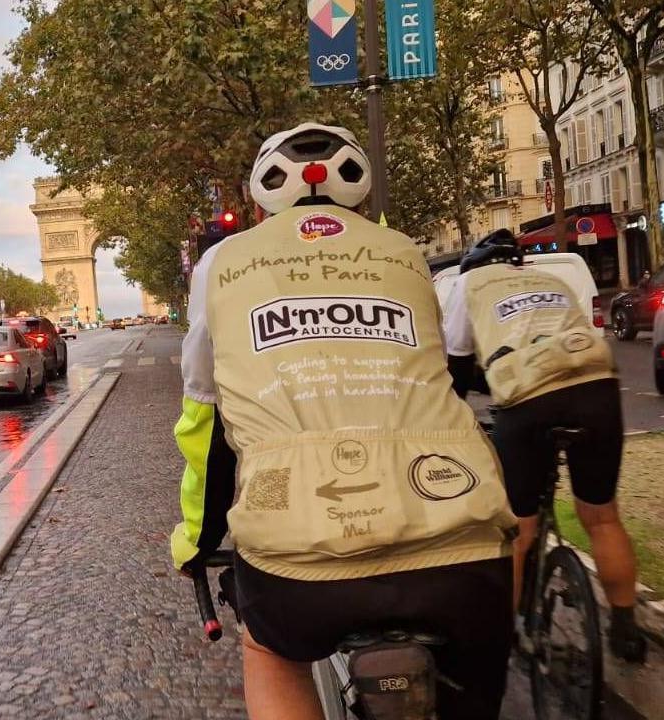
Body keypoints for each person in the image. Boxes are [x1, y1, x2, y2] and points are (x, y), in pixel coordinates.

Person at [172, 123, 518, 720]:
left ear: (258, 202)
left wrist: (196, 542)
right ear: (361, 193)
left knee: (270, 650)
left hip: (298, 555)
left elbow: (204, 417)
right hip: (460, 535)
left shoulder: (221, 263)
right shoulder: (407, 252)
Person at [443, 228, 647, 663]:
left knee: (519, 530)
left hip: (529, 395)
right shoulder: (552, 282)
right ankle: (627, 632)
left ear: (473, 265)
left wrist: (454, 415)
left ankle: (508, 636)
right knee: (603, 517)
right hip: (596, 385)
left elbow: (458, 362)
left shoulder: (468, 283)